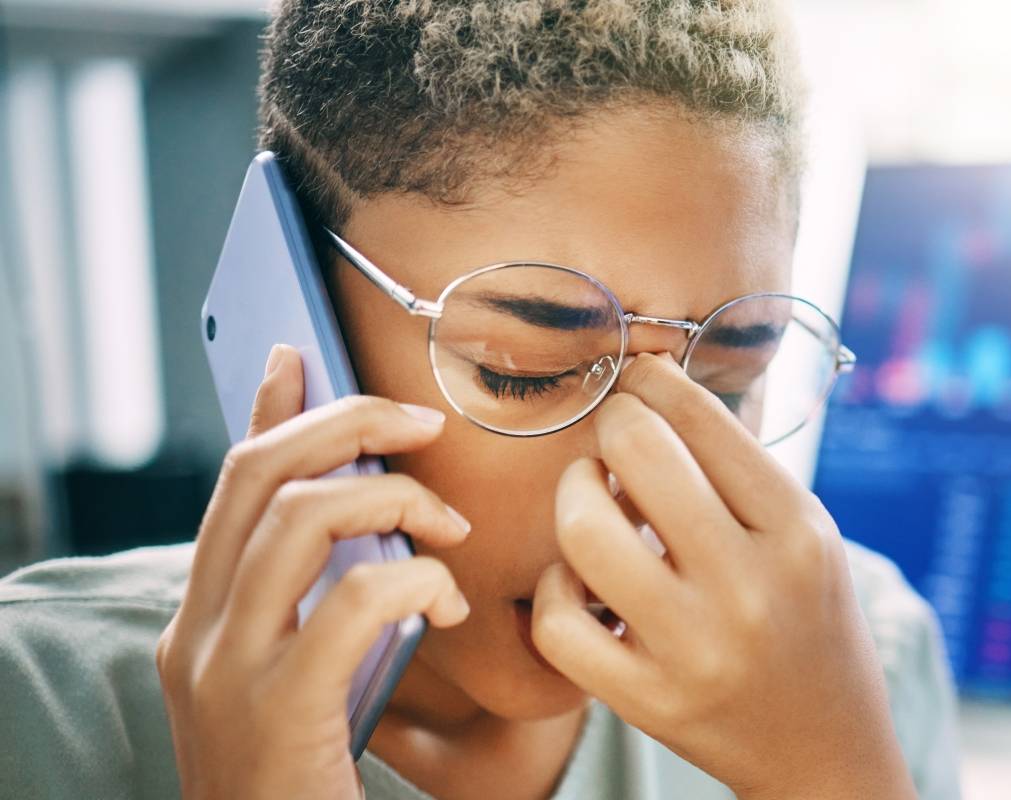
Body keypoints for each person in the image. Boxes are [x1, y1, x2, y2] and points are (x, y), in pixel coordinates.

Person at [0, 1, 960, 798]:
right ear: (298, 319)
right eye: (523, 370)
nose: (651, 485)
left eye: (727, 383)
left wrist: (835, 775)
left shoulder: (857, 661)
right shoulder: (35, 714)